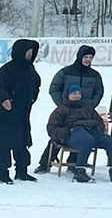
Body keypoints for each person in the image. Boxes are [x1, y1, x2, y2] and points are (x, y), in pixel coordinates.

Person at [34, 45, 104, 173]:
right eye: (85, 57)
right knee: (59, 135)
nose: (88, 60)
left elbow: (99, 91)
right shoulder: (65, 72)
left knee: (83, 135)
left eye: (90, 57)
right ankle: (45, 163)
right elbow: (54, 88)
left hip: (85, 112)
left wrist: (90, 106)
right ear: (79, 57)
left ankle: (73, 164)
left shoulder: (95, 75)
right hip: (66, 110)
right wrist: (62, 105)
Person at [0, 39, 41, 184]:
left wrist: (31, 99)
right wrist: (5, 99)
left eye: (32, 53)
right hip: (7, 113)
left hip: (23, 113)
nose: (30, 55)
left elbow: (36, 85)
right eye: (27, 53)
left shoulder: (31, 70)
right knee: (4, 144)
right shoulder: (7, 69)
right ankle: (3, 173)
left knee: (22, 143)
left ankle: (22, 171)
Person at [45, 84, 112, 183]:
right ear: (68, 95)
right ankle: (79, 171)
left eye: (79, 93)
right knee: (86, 140)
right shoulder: (61, 110)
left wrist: (96, 128)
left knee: (109, 140)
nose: (77, 96)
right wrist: (67, 132)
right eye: (74, 93)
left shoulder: (88, 108)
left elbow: (99, 122)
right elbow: (52, 128)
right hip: (72, 134)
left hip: (91, 132)